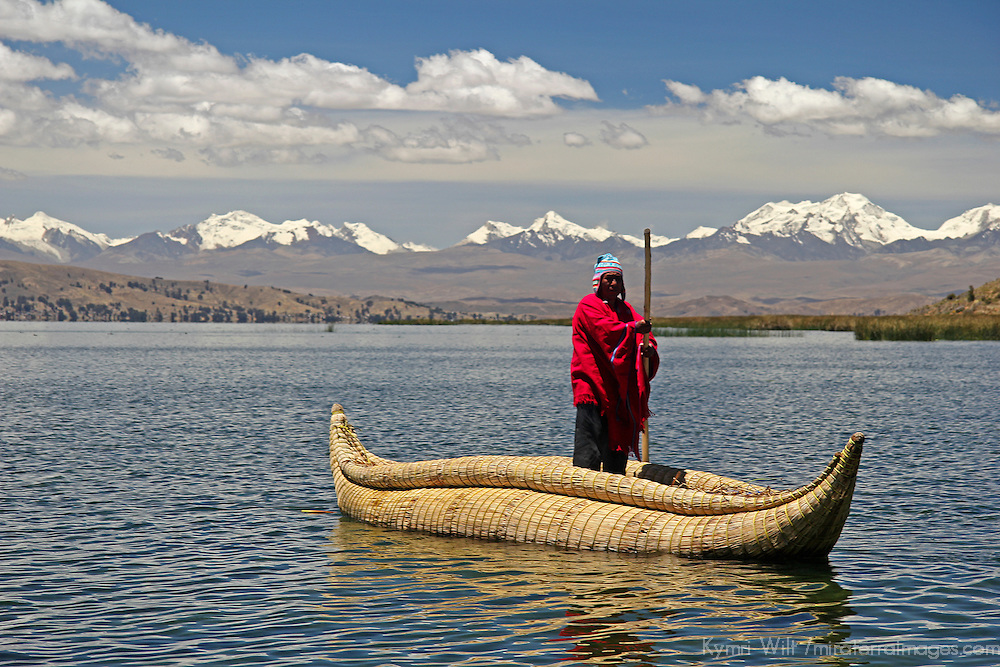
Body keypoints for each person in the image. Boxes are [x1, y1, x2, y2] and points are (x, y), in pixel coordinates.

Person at [571, 253, 659, 474]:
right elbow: (606, 331)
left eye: (617, 279)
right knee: (589, 445)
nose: (613, 283)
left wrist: (647, 350)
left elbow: (643, 337)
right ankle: (584, 490)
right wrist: (632, 330)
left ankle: (615, 483)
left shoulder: (625, 309)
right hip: (592, 384)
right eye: (608, 278)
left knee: (615, 444)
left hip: (617, 390)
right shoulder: (588, 305)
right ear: (598, 281)